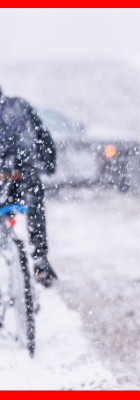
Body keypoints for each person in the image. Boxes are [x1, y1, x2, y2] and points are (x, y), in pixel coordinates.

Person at [0, 84, 58, 287]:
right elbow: (43, 137)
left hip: (8, 174)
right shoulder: (19, 105)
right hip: (23, 173)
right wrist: (49, 164)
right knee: (34, 206)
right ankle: (40, 259)